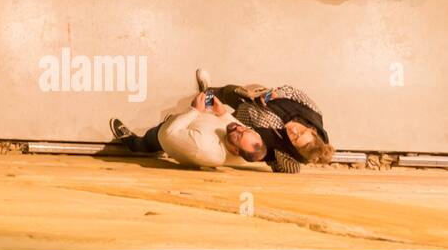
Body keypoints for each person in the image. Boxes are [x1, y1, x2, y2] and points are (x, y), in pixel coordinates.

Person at [198, 72, 333, 173]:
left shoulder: (285, 152)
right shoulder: (314, 113)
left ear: (293, 147)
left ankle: (198, 113)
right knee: (225, 92)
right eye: (302, 131)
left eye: (295, 138)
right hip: (252, 98)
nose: (294, 131)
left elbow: (291, 169)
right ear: (312, 130)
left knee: (213, 122)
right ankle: (205, 93)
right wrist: (274, 94)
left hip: (242, 123)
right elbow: (293, 92)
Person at [110, 85, 268, 168]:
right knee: (202, 103)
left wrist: (194, 111)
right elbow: (239, 129)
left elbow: (168, 134)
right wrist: (222, 113)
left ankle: (133, 143)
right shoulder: (247, 146)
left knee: (150, 139)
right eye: (246, 129)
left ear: (235, 151)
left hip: (168, 134)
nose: (239, 128)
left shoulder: (203, 147)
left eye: (239, 135)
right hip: (194, 125)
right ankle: (201, 95)